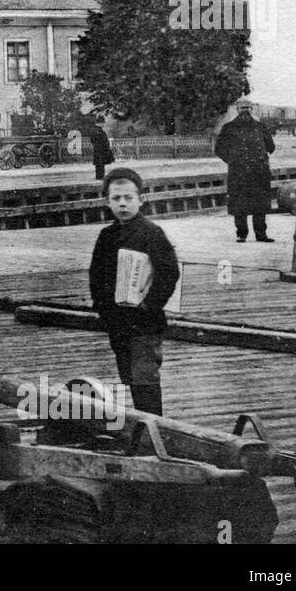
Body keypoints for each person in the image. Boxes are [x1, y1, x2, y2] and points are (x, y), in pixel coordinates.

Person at [88, 167, 180, 416]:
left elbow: (169, 273)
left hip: (144, 321)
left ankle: (153, 428)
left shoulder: (152, 233)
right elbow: (96, 274)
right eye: (116, 199)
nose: (123, 204)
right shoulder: (106, 236)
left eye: (129, 198)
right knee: (129, 373)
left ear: (141, 199)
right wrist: (101, 307)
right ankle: (143, 424)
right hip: (117, 321)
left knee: (144, 377)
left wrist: (150, 304)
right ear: (107, 202)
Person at [214, 96, 276, 242]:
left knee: (260, 204)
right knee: (239, 204)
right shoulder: (228, 128)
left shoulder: (261, 127)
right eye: (242, 108)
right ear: (237, 109)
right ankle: (241, 234)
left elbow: (271, 147)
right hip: (238, 172)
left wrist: (261, 157)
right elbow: (219, 149)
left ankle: (261, 234)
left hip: (259, 172)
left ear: (251, 109)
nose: (245, 111)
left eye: (247, 108)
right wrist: (232, 160)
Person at [89, 115, 114, 181]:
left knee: (99, 166)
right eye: (103, 123)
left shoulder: (94, 130)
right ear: (100, 123)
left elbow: (93, 141)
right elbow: (104, 142)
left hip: (97, 151)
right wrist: (107, 150)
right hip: (101, 151)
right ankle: (100, 179)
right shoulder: (99, 131)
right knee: (101, 166)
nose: (103, 124)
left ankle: (99, 178)